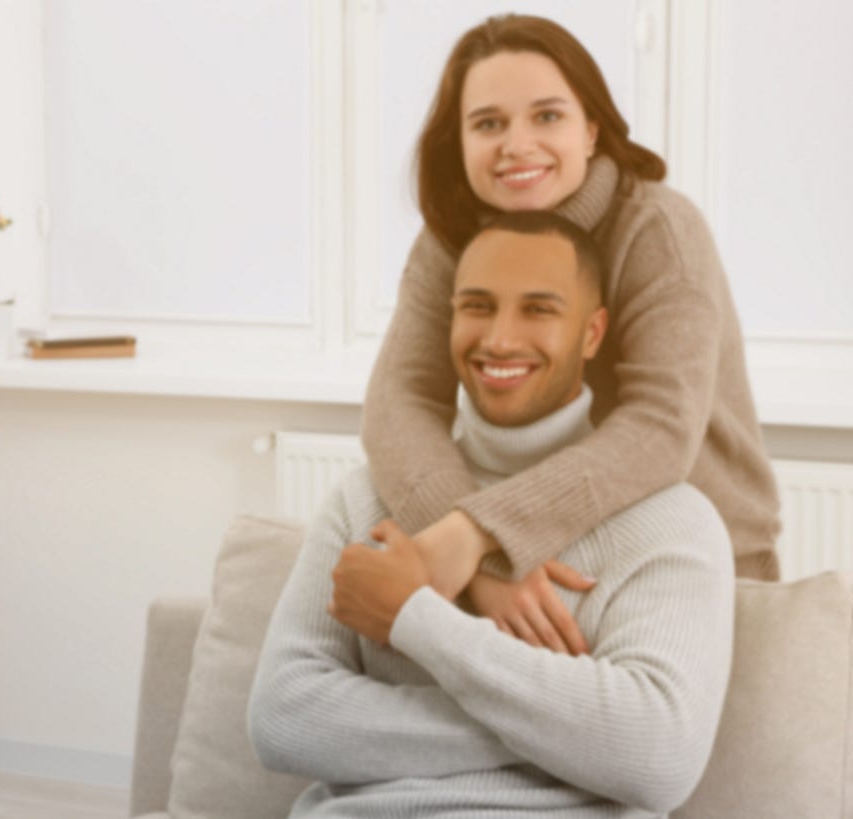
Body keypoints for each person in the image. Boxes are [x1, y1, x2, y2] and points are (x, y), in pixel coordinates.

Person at [249, 211, 735, 817]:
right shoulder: (365, 499)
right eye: (477, 305)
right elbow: (283, 719)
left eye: (538, 309)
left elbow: (658, 757)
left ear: (592, 333)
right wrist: (569, 738)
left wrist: (413, 616)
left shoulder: (672, 522)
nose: (500, 339)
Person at [361, 14, 778, 656]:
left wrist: (476, 534)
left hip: (694, 556)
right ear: (459, 143)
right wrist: (477, 558)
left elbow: (661, 426)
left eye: (547, 117)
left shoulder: (658, 230)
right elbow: (398, 404)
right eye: (489, 123)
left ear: (591, 130)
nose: (517, 144)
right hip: (539, 549)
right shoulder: (450, 241)